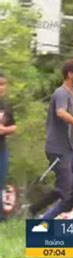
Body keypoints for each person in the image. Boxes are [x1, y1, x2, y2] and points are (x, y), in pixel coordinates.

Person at [27, 59, 73, 219]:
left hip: (71, 148)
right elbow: (61, 113)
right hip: (57, 148)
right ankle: (36, 211)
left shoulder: (71, 95)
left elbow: (70, 118)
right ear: (70, 74)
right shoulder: (61, 93)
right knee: (64, 189)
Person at [0, 72, 17, 222]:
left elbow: (14, 127)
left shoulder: (6, 105)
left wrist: (5, 130)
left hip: (2, 150)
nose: (1, 88)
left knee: (1, 182)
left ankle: (1, 218)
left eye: (3, 84)